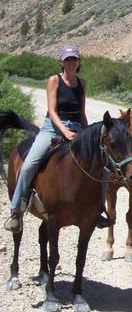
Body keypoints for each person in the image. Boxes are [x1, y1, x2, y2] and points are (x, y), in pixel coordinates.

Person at [4, 45, 112, 233]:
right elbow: (53, 111)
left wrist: (87, 134)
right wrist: (64, 131)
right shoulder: (54, 80)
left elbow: (82, 112)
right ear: (61, 62)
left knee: (103, 168)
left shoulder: (82, 84)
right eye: (68, 59)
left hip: (77, 128)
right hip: (52, 129)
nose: (71, 62)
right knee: (30, 163)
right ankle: (16, 210)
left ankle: (97, 210)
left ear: (78, 63)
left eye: (74, 59)